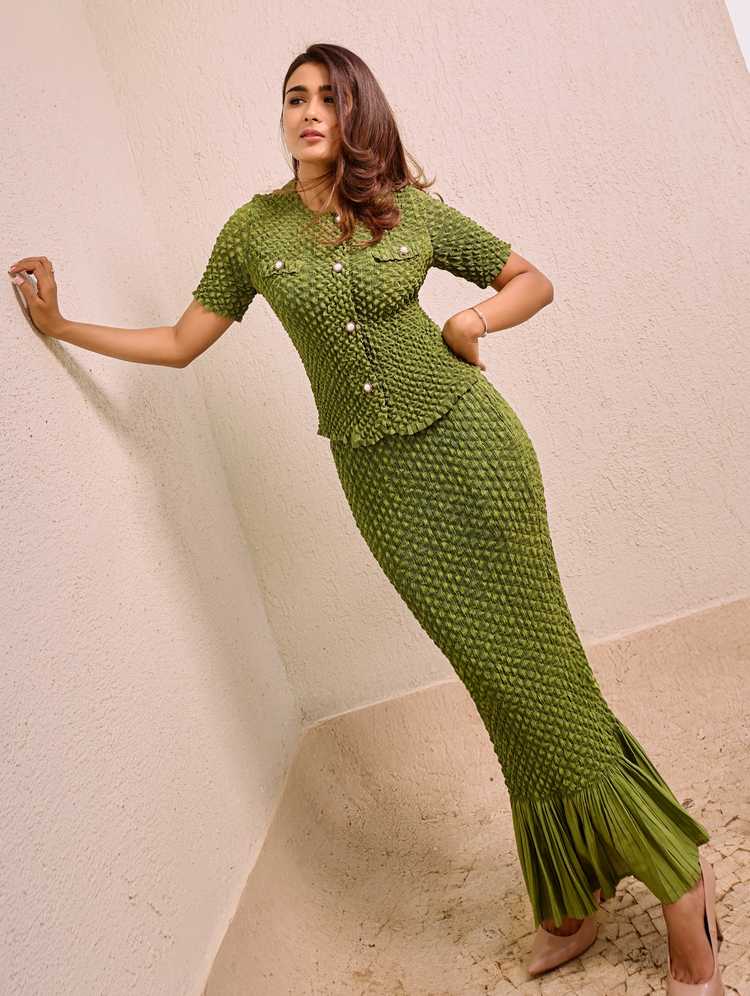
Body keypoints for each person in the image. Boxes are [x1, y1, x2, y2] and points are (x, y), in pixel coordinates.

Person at [8, 42, 724, 994]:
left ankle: (681, 885)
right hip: (383, 486)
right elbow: (182, 342)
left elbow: (530, 279)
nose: (310, 112)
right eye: (295, 97)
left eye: (330, 98)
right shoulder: (252, 231)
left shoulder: (405, 210)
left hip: (475, 454)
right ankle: (571, 889)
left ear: (359, 115)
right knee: (496, 682)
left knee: (544, 676)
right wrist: (61, 326)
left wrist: (470, 322)